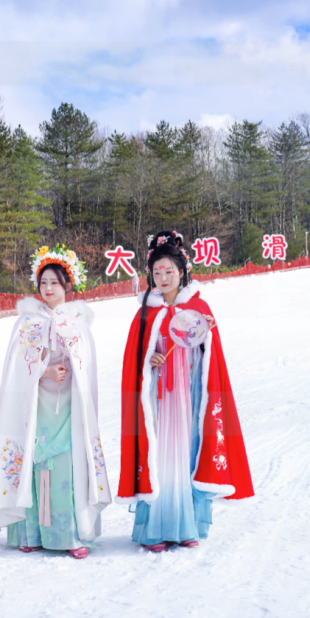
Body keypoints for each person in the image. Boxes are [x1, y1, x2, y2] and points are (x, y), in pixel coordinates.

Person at [118, 231, 254, 552]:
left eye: (169, 271)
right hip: (158, 401)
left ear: (182, 271)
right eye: (157, 272)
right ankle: (156, 528)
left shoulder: (198, 307)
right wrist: (148, 361)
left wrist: (197, 350)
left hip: (189, 396)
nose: (163, 278)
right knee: (161, 458)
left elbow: (213, 356)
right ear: (149, 276)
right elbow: (132, 362)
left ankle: (186, 525)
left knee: (187, 454)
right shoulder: (145, 314)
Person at [0, 244, 112, 559]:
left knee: (67, 466)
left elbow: (86, 365)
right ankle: (32, 532)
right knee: (37, 464)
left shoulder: (78, 321)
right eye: (43, 283)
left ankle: (68, 534)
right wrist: (44, 370)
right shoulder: (29, 321)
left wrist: (70, 372)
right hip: (38, 407)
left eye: (54, 282)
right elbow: (18, 367)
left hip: (71, 406)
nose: (49, 288)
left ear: (67, 285)